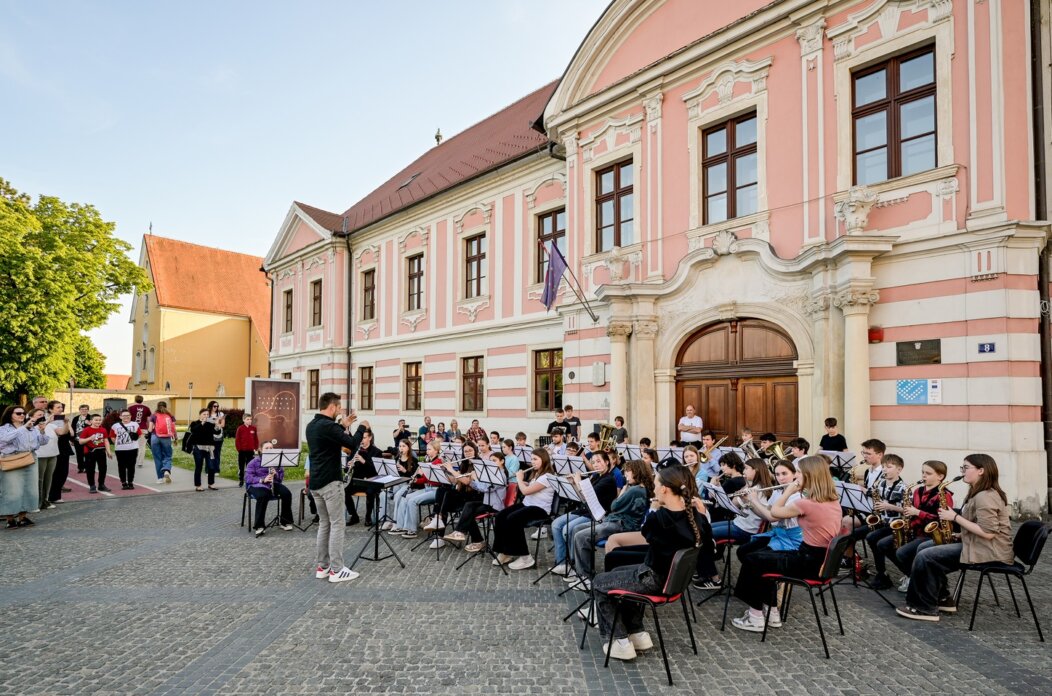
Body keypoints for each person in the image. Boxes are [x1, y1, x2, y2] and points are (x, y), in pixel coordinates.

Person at [592, 465, 712, 661]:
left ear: (664, 489)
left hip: (654, 580)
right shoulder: (695, 517)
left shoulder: (661, 518)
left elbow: (646, 532)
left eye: (656, 485)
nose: (654, 489)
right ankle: (637, 632)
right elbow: (707, 541)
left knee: (599, 582)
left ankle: (620, 641)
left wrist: (654, 510)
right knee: (620, 570)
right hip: (674, 582)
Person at [731, 455, 843, 633]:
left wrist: (788, 491)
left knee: (753, 560)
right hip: (819, 559)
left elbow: (774, 512)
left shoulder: (806, 503)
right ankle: (772, 611)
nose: (796, 477)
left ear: (810, 475)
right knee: (758, 556)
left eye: (799, 472)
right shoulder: (833, 500)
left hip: (809, 562)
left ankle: (756, 617)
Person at [897, 454, 1014, 622]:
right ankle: (942, 598)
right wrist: (958, 535)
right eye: (962, 468)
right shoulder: (978, 492)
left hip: (989, 551)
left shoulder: (985, 496)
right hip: (977, 544)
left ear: (981, 471)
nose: (962, 471)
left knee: (926, 555)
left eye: (966, 468)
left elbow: (989, 533)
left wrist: (954, 518)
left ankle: (924, 608)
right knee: (924, 547)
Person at [306, 392, 365, 583]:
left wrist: (342, 425)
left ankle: (322, 567)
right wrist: (362, 427)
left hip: (315, 482)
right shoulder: (328, 426)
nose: (340, 411)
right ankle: (337, 570)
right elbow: (353, 444)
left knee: (324, 524)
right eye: (339, 408)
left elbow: (330, 436)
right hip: (331, 482)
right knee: (338, 524)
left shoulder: (312, 425)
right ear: (332, 407)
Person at [695, 458, 776, 589]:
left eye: (746, 468)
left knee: (703, 534)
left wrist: (751, 500)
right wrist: (719, 488)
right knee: (701, 529)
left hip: (746, 530)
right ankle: (705, 569)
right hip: (737, 523)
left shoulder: (760, 490)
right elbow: (731, 504)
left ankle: (714, 578)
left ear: (756, 470)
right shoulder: (749, 485)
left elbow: (764, 514)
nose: (743, 471)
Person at [876, 459, 951, 593]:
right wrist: (908, 518)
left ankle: (921, 580)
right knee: (883, 544)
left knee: (902, 552)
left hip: (931, 535)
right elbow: (912, 511)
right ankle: (912, 575)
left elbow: (942, 520)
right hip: (915, 530)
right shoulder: (917, 491)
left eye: (928, 473)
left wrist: (918, 512)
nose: (923, 476)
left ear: (940, 476)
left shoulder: (945, 495)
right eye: (922, 472)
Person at [571, 458, 653, 579]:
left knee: (581, 536)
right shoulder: (637, 487)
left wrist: (624, 490)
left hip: (621, 524)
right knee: (577, 528)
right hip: (614, 520)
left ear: (637, 472)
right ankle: (582, 568)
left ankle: (585, 576)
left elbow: (614, 506)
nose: (625, 474)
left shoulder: (635, 490)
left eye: (628, 471)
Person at [550, 450, 619, 579]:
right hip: (584, 510)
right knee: (556, 524)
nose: (596, 465)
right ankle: (562, 562)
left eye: (599, 461)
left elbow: (589, 496)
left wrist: (578, 481)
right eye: (593, 462)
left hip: (597, 515)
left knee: (567, 530)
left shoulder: (609, 480)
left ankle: (573, 564)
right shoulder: (596, 476)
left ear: (607, 462)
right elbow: (581, 497)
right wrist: (572, 484)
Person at [491, 449, 557, 570]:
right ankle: (505, 552)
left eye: (535, 459)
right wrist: (526, 483)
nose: (532, 462)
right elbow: (531, 488)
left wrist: (519, 480)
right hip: (528, 504)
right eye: (531, 459)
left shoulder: (547, 476)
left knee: (513, 519)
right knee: (500, 516)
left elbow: (525, 491)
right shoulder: (537, 473)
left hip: (540, 509)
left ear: (544, 459)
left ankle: (526, 557)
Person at [444, 450, 512, 550]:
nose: (492, 463)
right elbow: (483, 486)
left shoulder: (501, 475)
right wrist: (471, 480)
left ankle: (475, 539)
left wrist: (475, 479)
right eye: (490, 461)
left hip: (495, 505)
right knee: (468, 506)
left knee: (469, 514)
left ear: (502, 461)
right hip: (487, 502)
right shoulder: (492, 473)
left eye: (494, 460)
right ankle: (461, 533)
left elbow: (485, 489)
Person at [860, 454, 907, 589]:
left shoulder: (904, 487)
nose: (885, 470)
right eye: (884, 467)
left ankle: (906, 572)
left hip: (897, 525)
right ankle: (882, 573)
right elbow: (874, 496)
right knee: (869, 537)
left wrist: (889, 506)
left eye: (889, 467)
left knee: (878, 541)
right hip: (883, 521)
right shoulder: (881, 484)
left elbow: (908, 510)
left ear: (899, 469)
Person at [1, 405, 49, 528]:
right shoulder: (4, 428)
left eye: (23, 413)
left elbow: (42, 442)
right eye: (18, 413)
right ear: (10, 415)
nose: (22, 415)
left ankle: (23, 517)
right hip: (12, 459)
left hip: (30, 458)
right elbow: (5, 439)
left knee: (29, 489)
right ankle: (10, 519)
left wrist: (42, 431)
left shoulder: (32, 428)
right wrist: (23, 428)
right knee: (11, 491)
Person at [393, 439, 443, 539]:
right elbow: (423, 480)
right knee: (405, 497)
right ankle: (402, 526)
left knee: (412, 501)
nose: (427, 451)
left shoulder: (438, 462)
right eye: (427, 449)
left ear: (436, 450)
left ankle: (412, 530)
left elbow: (438, 481)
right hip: (427, 488)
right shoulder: (428, 461)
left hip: (436, 490)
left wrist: (424, 473)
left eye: (429, 449)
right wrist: (415, 479)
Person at [245, 444, 294, 536]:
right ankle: (259, 526)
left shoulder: (276, 462)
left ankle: (285, 521)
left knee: (286, 493)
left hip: (272, 484)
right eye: (266, 448)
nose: (269, 449)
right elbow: (248, 478)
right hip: (256, 485)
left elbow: (280, 479)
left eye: (271, 448)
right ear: (260, 449)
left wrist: (276, 474)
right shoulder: (254, 462)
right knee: (263, 495)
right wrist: (262, 480)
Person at [380, 439, 422, 532]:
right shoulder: (396, 459)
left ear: (408, 448)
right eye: (400, 446)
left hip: (408, 485)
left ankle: (396, 522)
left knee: (398, 496)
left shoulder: (413, 460)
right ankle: (386, 520)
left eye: (404, 446)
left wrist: (404, 471)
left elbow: (414, 477)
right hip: (396, 483)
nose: (401, 448)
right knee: (383, 494)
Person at [345, 428, 383, 526]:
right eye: (361, 438)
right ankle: (354, 516)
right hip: (357, 480)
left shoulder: (377, 452)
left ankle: (368, 517)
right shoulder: (356, 450)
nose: (362, 440)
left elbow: (376, 471)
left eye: (364, 438)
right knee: (344, 492)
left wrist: (363, 461)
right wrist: (349, 465)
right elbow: (346, 469)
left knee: (370, 493)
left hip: (371, 480)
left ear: (370, 438)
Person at [36, 401, 67, 509]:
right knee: (39, 480)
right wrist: (48, 420)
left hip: (52, 455)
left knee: (48, 479)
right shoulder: (33, 426)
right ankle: (37, 502)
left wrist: (67, 423)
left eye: (42, 415)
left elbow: (62, 432)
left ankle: (45, 500)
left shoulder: (52, 425)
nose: (42, 417)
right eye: (39, 415)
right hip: (40, 456)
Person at [188, 409, 221, 491]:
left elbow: (217, 432)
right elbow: (194, 431)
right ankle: (198, 485)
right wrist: (202, 423)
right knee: (198, 466)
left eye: (207, 414)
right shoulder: (194, 423)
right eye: (204, 414)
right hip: (198, 448)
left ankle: (211, 484)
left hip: (209, 448)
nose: (206, 416)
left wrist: (217, 424)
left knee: (211, 467)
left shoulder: (210, 424)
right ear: (200, 415)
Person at [48, 401, 74, 505]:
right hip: (52, 448)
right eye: (58, 407)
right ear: (51, 409)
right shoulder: (47, 419)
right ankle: (49, 496)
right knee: (53, 473)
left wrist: (67, 423)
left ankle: (56, 495)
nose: (60, 409)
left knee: (63, 473)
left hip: (64, 448)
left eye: (61, 407)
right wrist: (49, 422)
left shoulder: (64, 419)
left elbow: (71, 434)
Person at [78, 413, 111, 493]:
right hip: (90, 452)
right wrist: (89, 438)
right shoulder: (87, 430)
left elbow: (106, 440)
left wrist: (108, 451)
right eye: (96, 420)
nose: (98, 422)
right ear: (91, 421)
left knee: (103, 469)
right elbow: (80, 441)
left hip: (101, 451)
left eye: (100, 420)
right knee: (90, 469)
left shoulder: (103, 429)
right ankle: (92, 485)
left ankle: (101, 485)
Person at [109, 409, 140, 490]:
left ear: (130, 416)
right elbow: (112, 436)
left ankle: (130, 482)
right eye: (124, 416)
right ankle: (123, 482)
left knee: (131, 466)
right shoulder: (115, 426)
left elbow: (139, 434)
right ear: (120, 417)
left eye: (128, 415)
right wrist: (118, 443)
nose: (126, 417)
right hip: (120, 450)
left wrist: (134, 440)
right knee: (121, 466)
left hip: (133, 448)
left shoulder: (135, 424)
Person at [148, 401, 176, 484]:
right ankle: (166, 470)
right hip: (166, 438)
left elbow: (150, 429)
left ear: (157, 406)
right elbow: (173, 428)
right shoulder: (171, 416)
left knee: (157, 458)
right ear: (166, 407)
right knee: (168, 455)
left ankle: (160, 478)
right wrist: (175, 438)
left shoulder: (153, 416)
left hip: (155, 437)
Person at [234, 414, 260, 487]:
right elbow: (237, 440)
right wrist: (239, 449)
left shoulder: (253, 428)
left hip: (250, 451)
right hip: (242, 451)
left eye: (250, 419)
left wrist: (256, 448)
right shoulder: (240, 428)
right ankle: (241, 480)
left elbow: (255, 439)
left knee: (250, 466)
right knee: (241, 466)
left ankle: (249, 479)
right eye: (247, 419)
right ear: (244, 420)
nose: (249, 421)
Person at [127, 395, 152, 469]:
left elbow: (128, 419)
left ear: (135, 400)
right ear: (142, 400)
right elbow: (148, 420)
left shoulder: (130, 408)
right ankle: (140, 462)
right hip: (143, 429)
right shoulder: (146, 408)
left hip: (133, 429)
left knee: (132, 445)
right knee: (142, 446)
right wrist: (148, 429)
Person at [205, 400, 226, 474]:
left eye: (217, 406)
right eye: (214, 406)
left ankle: (216, 470)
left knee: (217, 453)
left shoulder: (220, 414)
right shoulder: (207, 414)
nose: (216, 408)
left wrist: (217, 423)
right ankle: (208, 470)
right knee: (209, 453)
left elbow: (223, 425)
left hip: (218, 436)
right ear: (210, 406)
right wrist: (215, 422)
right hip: (209, 436)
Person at [70, 404, 91, 474]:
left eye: (85, 409)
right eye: (82, 409)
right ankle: (81, 468)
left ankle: (87, 467)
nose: (84, 411)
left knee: (87, 454)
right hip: (77, 439)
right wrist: (72, 440)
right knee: (79, 455)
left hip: (88, 439)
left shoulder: (90, 418)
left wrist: (90, 424)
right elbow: (72, 428)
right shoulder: (75, 418)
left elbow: (95, 426)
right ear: (80, 410)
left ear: (88, 410)